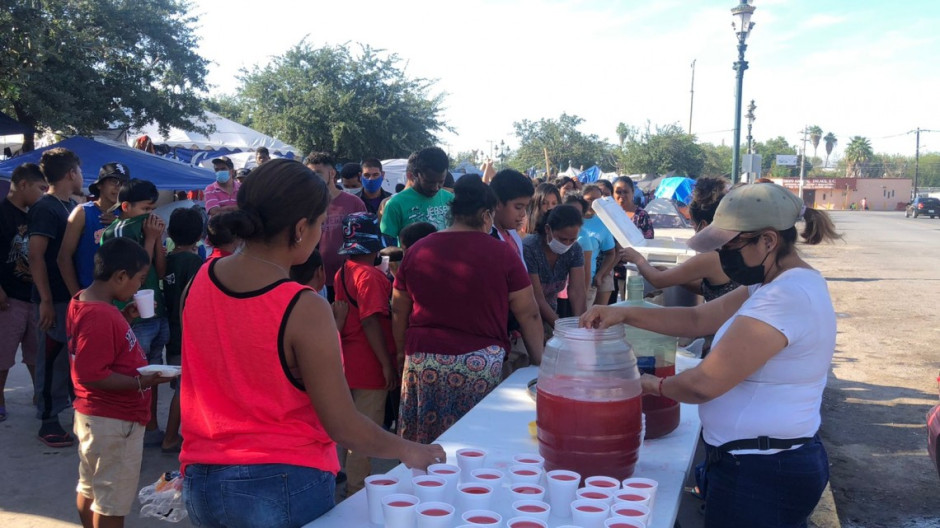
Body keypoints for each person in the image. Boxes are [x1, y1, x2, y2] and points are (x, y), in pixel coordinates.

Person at [179, 159, 443, 527]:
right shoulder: (302, 306)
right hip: (282, 483)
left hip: (202, 479)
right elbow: (343, 425)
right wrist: (409, 449)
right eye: (320, 224)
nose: (321, 234)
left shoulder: (200, 279)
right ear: (300, 229)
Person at [581, 183, 841, 528]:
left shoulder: (785, 298)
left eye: (730, 246)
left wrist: (646, 384)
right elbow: (697, 318)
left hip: (762, 472)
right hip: (759, 461)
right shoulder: (773, 284)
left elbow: (704, 384)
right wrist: (624, 313)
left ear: (768, 240)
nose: (723, 256)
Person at [392, 175, 544, 443]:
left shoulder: (418, 250)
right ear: (487, 215)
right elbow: (528, 313)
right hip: (479, 363)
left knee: (423, 444)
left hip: (423, 359)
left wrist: (401, 354)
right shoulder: (502, 253)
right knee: (474, 443)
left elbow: (399, 308)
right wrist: (539, 361)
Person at [68, 237, 174, 528]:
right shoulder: (101, 315)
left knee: (90, 486)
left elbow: (99, 350)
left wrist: (124, 318)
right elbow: (91, 373)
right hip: (114, 421)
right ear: (120, 276)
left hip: (96, 417)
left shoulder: (87, 302)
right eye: (139, 280)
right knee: (111, 500)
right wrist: (143, 383)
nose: (139, 287)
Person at [100, 178, 168, 447]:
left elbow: (158, 271)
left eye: (153, 210)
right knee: (134, 375)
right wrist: (150, 238)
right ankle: (131, 433)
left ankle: (150, 428)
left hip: (155, 312)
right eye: (145, 210)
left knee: (153, 376)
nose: (150, 216)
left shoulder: (146, 227)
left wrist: (157, 238)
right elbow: (136, 270)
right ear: (126, 207)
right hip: (133, 315)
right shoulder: (118, 231)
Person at [333, 212, 397, 496]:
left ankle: (337, 478)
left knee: (346, 428)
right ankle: (356, 491)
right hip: (370, 362)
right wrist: (386, 364)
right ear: (373, 247)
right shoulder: (369, 275)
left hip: (348, 359)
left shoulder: (343, 270)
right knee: (365, 433)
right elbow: (371, 320)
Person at [28, 147, 84, 447]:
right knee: (51, 358)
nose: (81, 175)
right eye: (79, 169)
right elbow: (36, 256)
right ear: (70, 174)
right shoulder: (45, 208)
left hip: (69, 297)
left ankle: (68, 412)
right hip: (54, 299)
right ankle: (47, 419)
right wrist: (46, 300)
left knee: (69, 357)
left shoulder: (69, 206)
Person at [620, 177, 738, 303]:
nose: (693, 229)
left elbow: (658, 280)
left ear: (703, 225)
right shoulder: (733, 249)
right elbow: (708, 288)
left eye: (692, 224)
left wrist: (637, 259)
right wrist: (670, 274)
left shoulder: (710, 257)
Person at [0, 163, 48, 422]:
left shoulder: (35, 214)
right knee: (3, 353)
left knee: (36, 352)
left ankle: (39, 394)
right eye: (40, 188)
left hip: (33, 295)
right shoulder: (2, 213)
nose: (43, 193)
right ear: (22, 185)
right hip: (8, 297)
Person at [160, 207, 206, 453]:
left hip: (171, 331)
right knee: (184, 387)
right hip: (187, 333)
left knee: (181, 384)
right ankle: (170, 437)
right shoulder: (195, 262)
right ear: (199, 235)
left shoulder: (166, 260)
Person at [58, 162, 129, 294]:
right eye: (114, 181)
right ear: (100, 184)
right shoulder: (83, 212)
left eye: (123, 183)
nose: (118, 187)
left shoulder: (127, 214)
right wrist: (76, 295)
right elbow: (63, 257)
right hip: (91, 295)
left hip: (122, 298)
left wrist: (121, 224)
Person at [305, 152, 366, 302]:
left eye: (318, 173)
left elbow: (364, 243)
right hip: (315, 280)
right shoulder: (306, 205)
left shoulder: (354, 203)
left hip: (348, 279)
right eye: (309, 174)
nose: (313, 178)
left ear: (332, 173)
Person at [523, 204, 587, 332]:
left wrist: (581, 327)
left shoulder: (574, 250)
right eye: (563, 239)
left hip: (551, 312)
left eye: (572, 239)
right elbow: (536, 296)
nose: (567, 244)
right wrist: (562, 329)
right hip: (525, 314)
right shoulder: (530, 248)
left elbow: (577, 291)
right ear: (548, 229)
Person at [380, 147, 454, 241]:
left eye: (441, 182)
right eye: (429, 182)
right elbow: (387, 246)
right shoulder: (395, 204)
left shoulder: (450, 199)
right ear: (416, 174)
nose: (435, 187)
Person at [573, 185, 617, 306]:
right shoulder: (570, 218)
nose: (593, 204)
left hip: (588, 282)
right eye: (589, 199)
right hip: (566, 281)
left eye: (597, 200)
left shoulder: (602, 223)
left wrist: (601, 274)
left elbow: (611, 253)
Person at [489, 168, 533, 265]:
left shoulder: (512, 234)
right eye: (518, 207)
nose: (523, 214)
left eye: (525, 207)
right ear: (497, 203)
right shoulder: (490, 240)